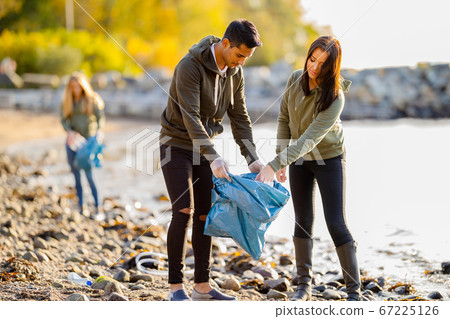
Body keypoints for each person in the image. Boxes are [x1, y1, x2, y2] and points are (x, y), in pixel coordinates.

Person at [159, 19, 264, 301]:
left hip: (204, 149)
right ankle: (175, 288)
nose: (241, 62)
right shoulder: (189, 66)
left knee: (206, 216)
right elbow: (191, 117)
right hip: (176, 144)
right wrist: (215, 158)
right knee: (183, 211)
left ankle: (202, 287)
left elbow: (240, 117)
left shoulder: (235, 72)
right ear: (225, 43)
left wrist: (252, 158)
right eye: (240, 55)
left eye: (247, 58)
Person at [256, 36, 363, 301]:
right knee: (302, 221)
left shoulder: (335, 97)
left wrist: (275, 164)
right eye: (312, 59)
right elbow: (284, 118)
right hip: (300, 160)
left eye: (322, 64)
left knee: (336, 223)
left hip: (329, 159)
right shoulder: (295, 78)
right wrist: (281, 156)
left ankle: (354, 292)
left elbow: (309, 140)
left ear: (333, 67)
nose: (314, 67)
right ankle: (303, 286)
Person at [61, 72, 105, 219]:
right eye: (72, 87)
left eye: (78, 86)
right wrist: (70, 132)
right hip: (73, 143)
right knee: (76, 176)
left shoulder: (91, 100)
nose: (75, 89)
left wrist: (98, 134)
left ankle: (98, 208)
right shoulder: (68, 101)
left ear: (83, 86)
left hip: (88, 143)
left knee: (90, 175)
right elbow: (63, 120)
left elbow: (100, 120)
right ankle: (81, 207)